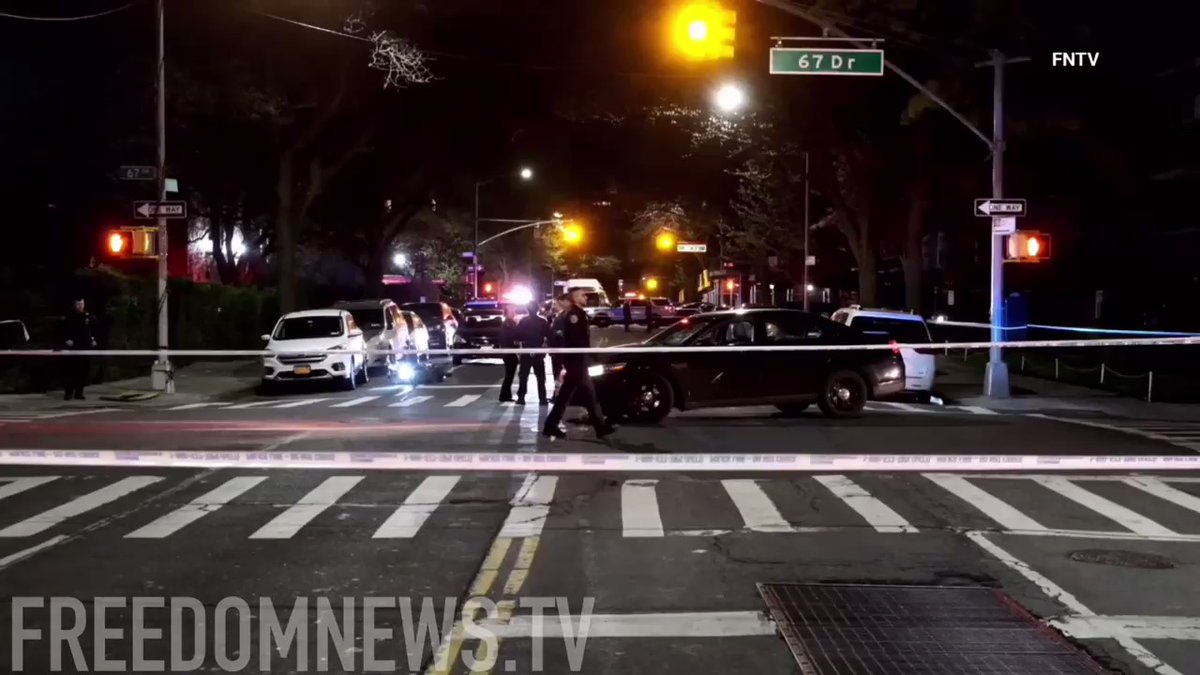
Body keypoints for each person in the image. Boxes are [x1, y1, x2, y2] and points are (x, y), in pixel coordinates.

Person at [542, 289, 616, 440]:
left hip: (577, 361)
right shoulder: (574, 315)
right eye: (583, 295)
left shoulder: (577, 313)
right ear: (575, 298)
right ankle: (600, 427)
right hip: (577, 361)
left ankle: (551, 425)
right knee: (588, 395)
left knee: (568, 395)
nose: (586, 297)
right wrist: (588, 356)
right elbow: (576, 341)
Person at [60, 297, 97, 400]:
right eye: (78, 304)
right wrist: (66, 339)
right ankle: (68, 392)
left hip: (84, 347)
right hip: (72, 348)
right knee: (71, 371)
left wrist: (93, 340)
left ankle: (79, 392)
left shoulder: (88, 316)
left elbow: (92, 330)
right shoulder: (69, 316)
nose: (80, 306)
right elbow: (61, 330)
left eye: (82, 304)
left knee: (83, 371)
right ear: (74, 305)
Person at [514, 301, 550, 405]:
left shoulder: (523, 321)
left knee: (523, 376)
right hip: (538, 351)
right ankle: (542, 399)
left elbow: (517, 335)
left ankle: (521, 397)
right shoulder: (542, 321)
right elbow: (548, 335)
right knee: (541, 377)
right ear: (538, 309)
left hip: (526, 351)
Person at [497, 304, 519, 402]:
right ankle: (504, 396)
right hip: (509, 352)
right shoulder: (508, 323)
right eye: (511, 310)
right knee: (509, 375)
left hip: (510, 351)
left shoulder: (509, 322)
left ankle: (506, 395)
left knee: (509, 375)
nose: (514, 312)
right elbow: (512, 336)